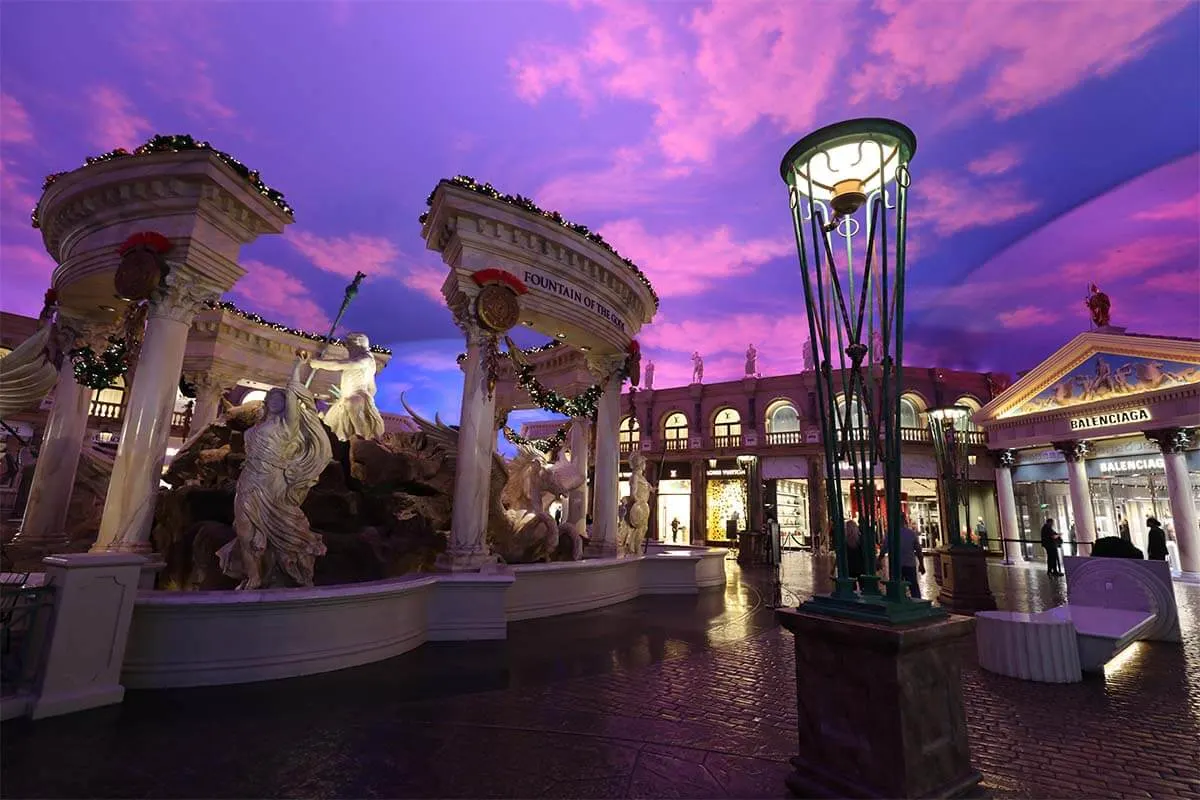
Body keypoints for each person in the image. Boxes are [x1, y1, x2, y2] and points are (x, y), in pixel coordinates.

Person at [217, 353, 333, 589]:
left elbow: (292, 393)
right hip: (248, 479)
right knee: (243, 528)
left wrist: (297, 367)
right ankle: (253, 576)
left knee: (280, 530)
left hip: (272, 480)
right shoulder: (256, 427)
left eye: (280, 399)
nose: (275, 400)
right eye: (272, 398)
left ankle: (279, 571)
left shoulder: (286, 427)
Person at [308, 332, 385, 441]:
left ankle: (362, 439)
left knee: (351, 404)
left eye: (349, 346)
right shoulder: (367, 361)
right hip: (348, 397)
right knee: (329, 420)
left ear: (358, 344)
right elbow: (373, 388)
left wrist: (318, 363)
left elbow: (341, 364)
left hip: (356, 395)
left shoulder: (366, 359)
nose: (348, 349)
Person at [899, 517, 925, 599]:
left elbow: (884, 548)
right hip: (910, 564)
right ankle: (918, 603)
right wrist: (921, 564)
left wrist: (879, 559)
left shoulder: (891, 533)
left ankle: (901, 603)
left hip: (897, 565)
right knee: (913, 587)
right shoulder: (911, 533)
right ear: (905, 522)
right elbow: (918, 550)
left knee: (898, 588)